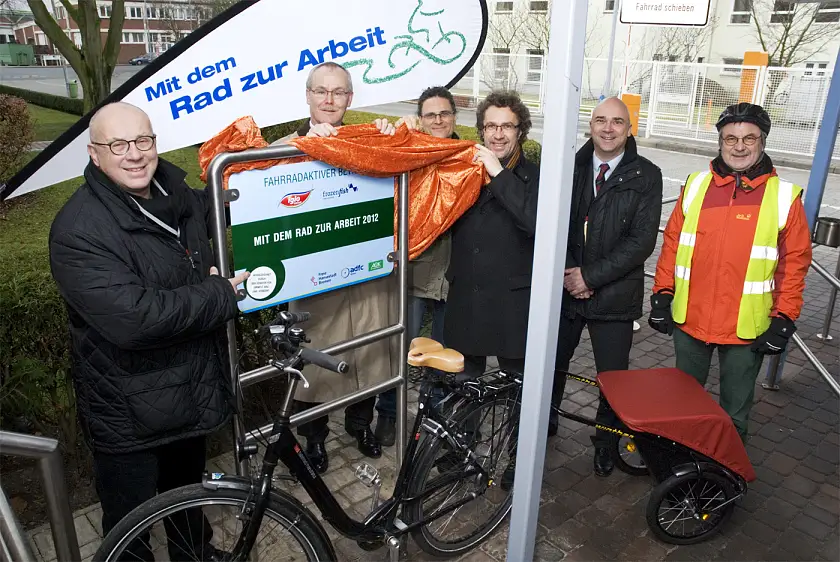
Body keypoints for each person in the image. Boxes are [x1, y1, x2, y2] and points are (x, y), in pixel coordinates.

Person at [49, 102, 247, 560]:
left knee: (187, 497)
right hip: (129, 411)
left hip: (188, 391)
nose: (134, 154)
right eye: (118, 144)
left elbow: (223, 209)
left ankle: (193, 552)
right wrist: (219, 294)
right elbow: (134, 318)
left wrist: (301, 155)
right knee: (129, 522)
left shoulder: (175, 193)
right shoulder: (78, 230)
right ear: (95, 154)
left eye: (144, 140)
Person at [650, 102, 811, 441]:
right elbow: (673, 245)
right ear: (720, 142)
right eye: (730, 138)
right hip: (690, 320)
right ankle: (681, 467)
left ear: (762, 142)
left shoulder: (783, 197)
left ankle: (724, 481)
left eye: (749, 138)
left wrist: (784, 319)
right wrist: (662, 294)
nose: (739, 146)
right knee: (683, 405)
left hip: (745, 329)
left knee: (734, 415)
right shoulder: (695, 186)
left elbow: (794, 264)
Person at [272, 61, 398, 472]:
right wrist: (304, 147)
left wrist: (395, 130)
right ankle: (315, 440)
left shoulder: (369, 142)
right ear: (307, 96)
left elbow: (415, 154)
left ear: (350, 99)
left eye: (339, 92)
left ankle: (360, 425)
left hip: (366, 276)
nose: (329, 100)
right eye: (321, 91)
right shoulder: (285, 145)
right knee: (315, 360)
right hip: (314, 281)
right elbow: (244, 184)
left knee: (369, 352)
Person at [552, 97, 663, 477]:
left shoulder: (647, 175)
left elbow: (641, 242)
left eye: (617, 121)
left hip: (614, 296)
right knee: (553, 365)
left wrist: (590, 277)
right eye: (601, 120)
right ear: (591, 125)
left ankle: (605, 443)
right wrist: (571, 272)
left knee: (612, 379)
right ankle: (545, 424)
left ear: (629, 129)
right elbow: (554, 224)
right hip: (567, 289)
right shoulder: (570, 167)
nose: (608, 128)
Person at [442, 91, 539, 487]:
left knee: (518, 387)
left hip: (512, 300)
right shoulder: (467, 166)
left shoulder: (535, 175)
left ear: (521, 131)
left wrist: (499, 174)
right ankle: (464, 451)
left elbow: (535, 220)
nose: (498, 134)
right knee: (466, 382)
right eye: (491, 125)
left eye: (507, 126)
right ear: (481, 128)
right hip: (469, 293)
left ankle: (518, 455)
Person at [372, 85, 460, 430]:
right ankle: (389, 415)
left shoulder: (468, 155)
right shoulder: (410, 151)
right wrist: (399, 135)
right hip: (415, 269)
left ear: (455, 116)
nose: (438, 120)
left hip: (454, 275)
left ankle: (433, 420)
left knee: (441, 353)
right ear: (421, 118)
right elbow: (379, 171)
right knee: (400, 347)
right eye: (430, 114)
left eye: (445, 113)